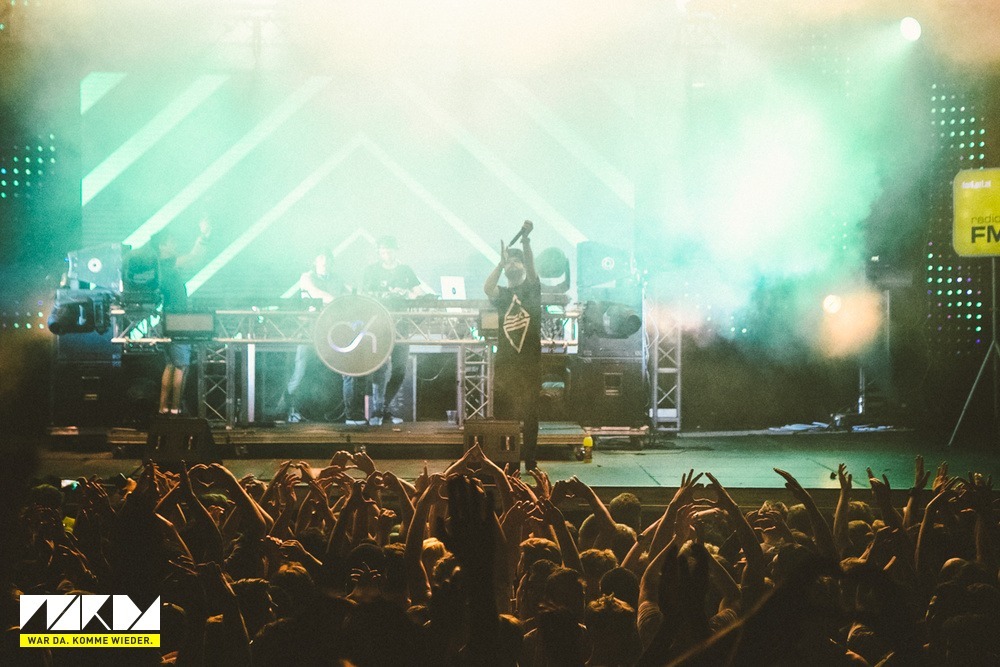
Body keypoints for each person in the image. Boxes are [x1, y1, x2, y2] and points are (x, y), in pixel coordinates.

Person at [129, 218, 211, 415]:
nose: (175, 245)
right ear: (162, 246)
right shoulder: (168, 264)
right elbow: (194, 257)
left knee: (170, 364)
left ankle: (163, 408)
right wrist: (203, 236)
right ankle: (175, 409)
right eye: (171, 242)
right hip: (178, 319)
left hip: (168, 318)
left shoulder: (159, 268)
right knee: (182, 366)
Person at [347, 235, 425, 426]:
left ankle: (383, 407)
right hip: (378, 326)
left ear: (395, 251)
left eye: (389, 250)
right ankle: (376, 410)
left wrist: (407, 292)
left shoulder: (405, 270)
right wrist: (386, 294)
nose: (386, 254)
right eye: (382, 251)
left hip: (401, 326)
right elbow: (364, 295)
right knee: (380, 368)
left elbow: (419, 292)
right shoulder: (371, 271)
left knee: (400, 368)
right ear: (378, 252)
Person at [484, 221, 541, 470]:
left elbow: (532, 268)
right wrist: (500, 263)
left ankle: (530, 460)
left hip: (529, 364)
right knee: (505, 415)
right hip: (506, 364)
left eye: (517, 262)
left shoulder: (531, 289)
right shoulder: (503, 295)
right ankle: (508, 461)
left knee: (530, 414)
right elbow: (487, 287)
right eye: (510, 262)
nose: (513, 265)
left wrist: (525, 241)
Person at [285, 249, 346, 422]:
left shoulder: (337, 279)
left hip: (331, 331)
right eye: (321, 260)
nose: (324, 263)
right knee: (301, 370)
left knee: (345, 369)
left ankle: (347, 412)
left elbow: (347, 295)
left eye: (327, 260)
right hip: (309, 330)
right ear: (315, 262)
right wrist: (335, 300)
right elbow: (315, 292)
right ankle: (290, 410)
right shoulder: (307, 277)